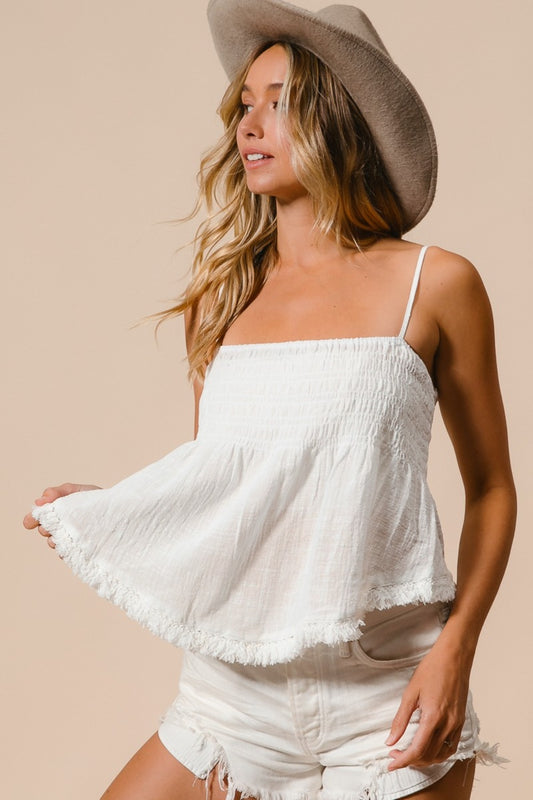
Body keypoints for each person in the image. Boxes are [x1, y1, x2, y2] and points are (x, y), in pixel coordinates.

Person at [23, 2, 516, 799]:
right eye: (243, 105)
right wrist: (121, 512)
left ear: (337, 122)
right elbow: (226, 494)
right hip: (233, 690)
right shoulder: (220, 303)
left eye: (278, 103)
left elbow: (491, 488)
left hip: (386, 689)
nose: (248, 126)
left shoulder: (434, 283)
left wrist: (455, 649)